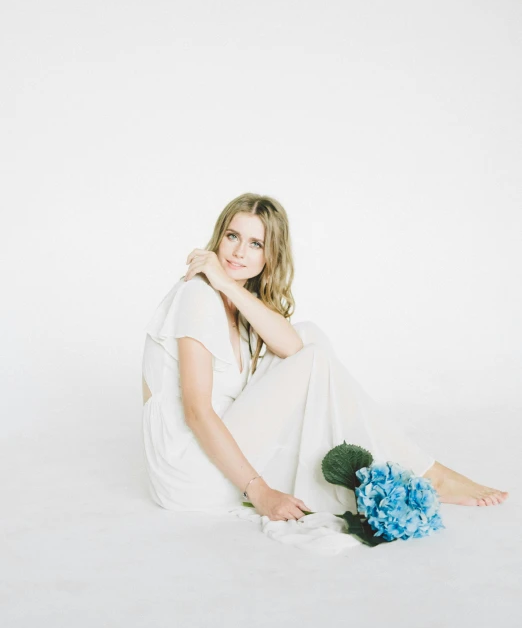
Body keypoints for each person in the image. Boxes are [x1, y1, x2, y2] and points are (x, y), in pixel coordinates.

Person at [141, 192, 508, 532]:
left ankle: (399, 466)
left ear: (271, 255)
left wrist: (229, 285)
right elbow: (197, 412)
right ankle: (429, 473)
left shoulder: (228, 296)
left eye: (256, 244)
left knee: (309, 336)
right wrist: (260, 491)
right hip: (190, 474)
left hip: (215, 449)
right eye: (232, 237)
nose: (238, 253)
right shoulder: (198, 297)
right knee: (312, 357)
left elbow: (292, 344)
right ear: (218, 238)